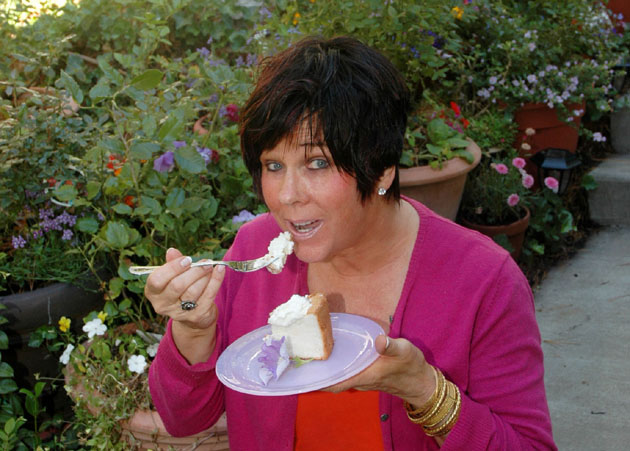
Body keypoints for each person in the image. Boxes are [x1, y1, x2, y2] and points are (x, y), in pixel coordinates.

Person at [145, 36, 556, 450]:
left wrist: (425, 390)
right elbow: (183, 419)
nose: (287, 195)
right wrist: (194, 328)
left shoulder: (483, 279)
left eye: (317, 163)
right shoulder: (256, 248)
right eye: (273, 165)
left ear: (381, 171)